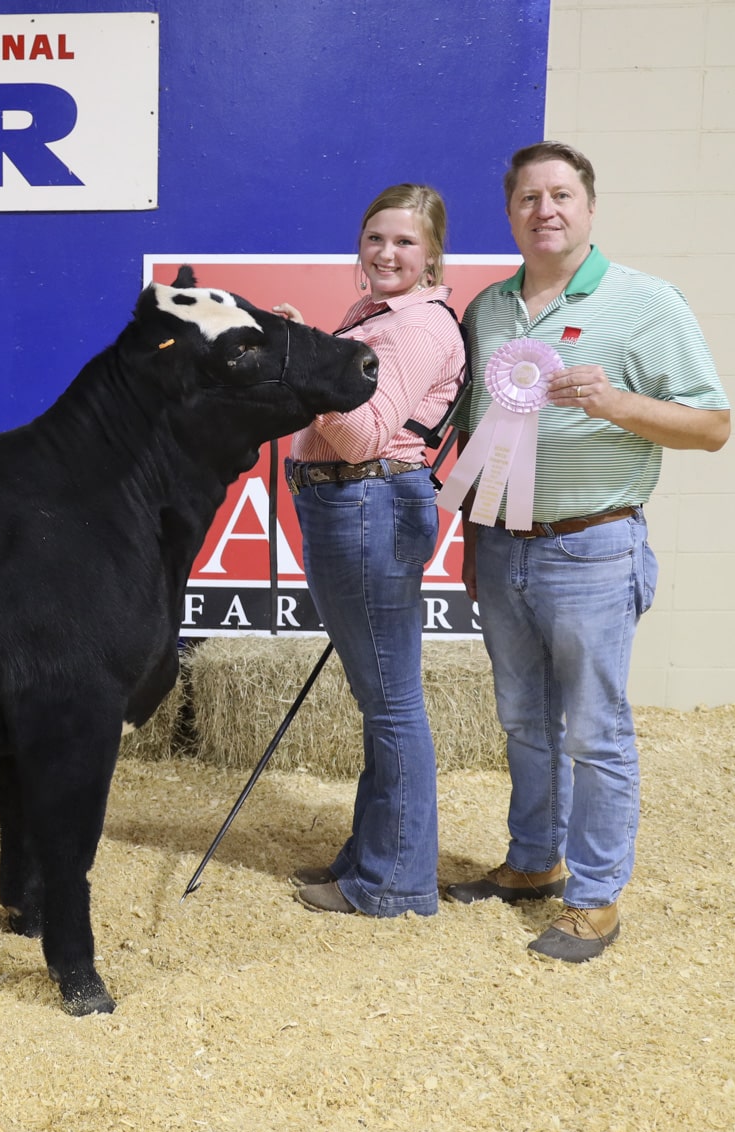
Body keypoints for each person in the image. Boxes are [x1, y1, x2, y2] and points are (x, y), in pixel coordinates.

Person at [446, 141, 731, 961]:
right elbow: (474, 437)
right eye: (528, 198)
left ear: (589, 207)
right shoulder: (488, 310)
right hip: (501, 548)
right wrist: (472, 541)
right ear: (510, 214)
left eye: (560, 194)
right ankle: (533, 863)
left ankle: (597, 897)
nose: (545, 210)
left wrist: (614, 403)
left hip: (593, 548)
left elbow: (712, 426)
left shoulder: (645, 302)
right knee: (521, 721)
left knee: (594, 731)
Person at [272, 183, 466, 918]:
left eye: (404, 242)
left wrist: (304, 365)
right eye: (374, 238)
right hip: (355, 505)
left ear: (432, 253)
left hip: (367, 503)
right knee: (380, 698)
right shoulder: (378, 316)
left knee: (389, 703)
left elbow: (360, 434)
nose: (386, 253)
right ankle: (374, 856)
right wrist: (315, 348)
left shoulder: (414, 328)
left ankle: (394, 884)